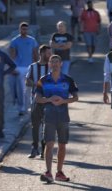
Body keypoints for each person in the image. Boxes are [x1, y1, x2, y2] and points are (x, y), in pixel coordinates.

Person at [35, 55, 79, 183]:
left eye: (56, 62)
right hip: (48, 116)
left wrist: (63, 101)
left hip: (63, 116)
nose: (54, 64)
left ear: (61, 64)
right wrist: (49, 99)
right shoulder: (43, 80)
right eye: (52, 62)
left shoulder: (68, 80)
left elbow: (76, 97)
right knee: (49, 144)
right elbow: (37, 98)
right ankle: (48, 172)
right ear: (49, 64)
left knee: (62, 144)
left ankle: (59, 172)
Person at [26, 45, 52, 159]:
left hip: (48, 101)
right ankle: (34, 148)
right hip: (35, 100)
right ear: (41, 54)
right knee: (35, 126)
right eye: (48, 53)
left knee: (46, 126)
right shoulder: (32, 67)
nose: (50, 55)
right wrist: (37, 85)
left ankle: (44, 150)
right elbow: (27, 81)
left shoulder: (51, 67)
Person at [9, 22, 39, 115]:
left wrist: (37, 65)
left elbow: (35, 54)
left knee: (31, 89)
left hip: (30, 67)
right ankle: (21, 108)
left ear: (28, 30)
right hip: (20, 68)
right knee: (21, 89)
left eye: (26, 29)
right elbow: (12, 56)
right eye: (22, 29)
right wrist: (12, 67)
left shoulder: (32, 40)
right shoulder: (15, 41)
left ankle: (30, 106)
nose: (24, 31)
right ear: (19, 29)